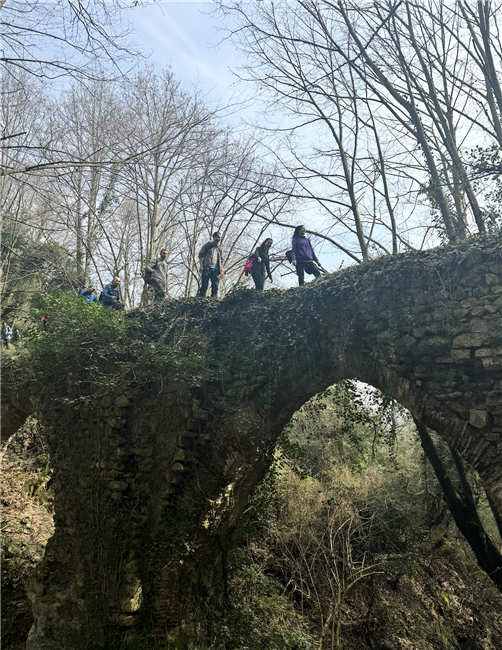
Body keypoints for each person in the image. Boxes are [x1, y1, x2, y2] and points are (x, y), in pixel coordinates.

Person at [198, 231, 224, 297]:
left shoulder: (219, 249)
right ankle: (201, 299)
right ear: (214, 237)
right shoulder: (207, 246)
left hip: (216, 270)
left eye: (220, 238)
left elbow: (221, 260)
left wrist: (222, 271)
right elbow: (201, 256)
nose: (219, 239)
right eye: (218, 237)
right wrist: (201, 266)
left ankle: (214, 300)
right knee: (204, 285)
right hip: (207, 268)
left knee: (215, 286)